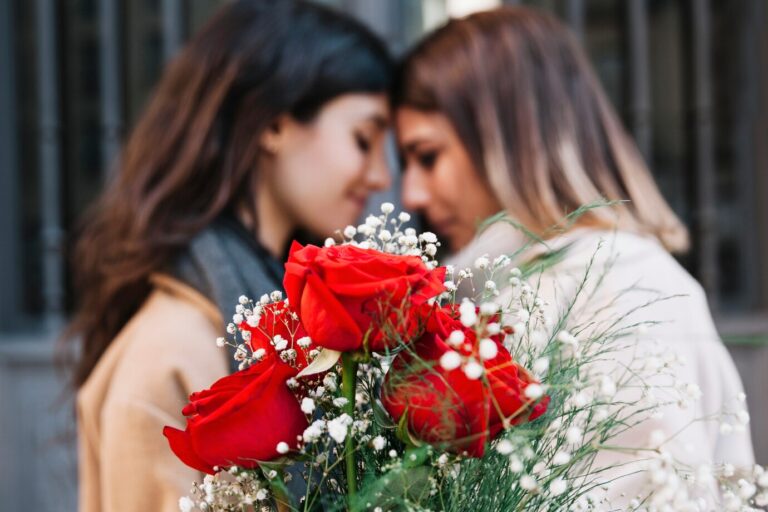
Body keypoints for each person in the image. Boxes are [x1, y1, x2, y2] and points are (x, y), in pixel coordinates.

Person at [394, 6, 754, 506]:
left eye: (428, 155)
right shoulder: (504, 286)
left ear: (508, 137)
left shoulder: (624, 287)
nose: (411, 192)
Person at [66, 1, 392, 510]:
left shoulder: (280, 316)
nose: (380, 176)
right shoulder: (168, 355)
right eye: (364, 139)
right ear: (275, 125)